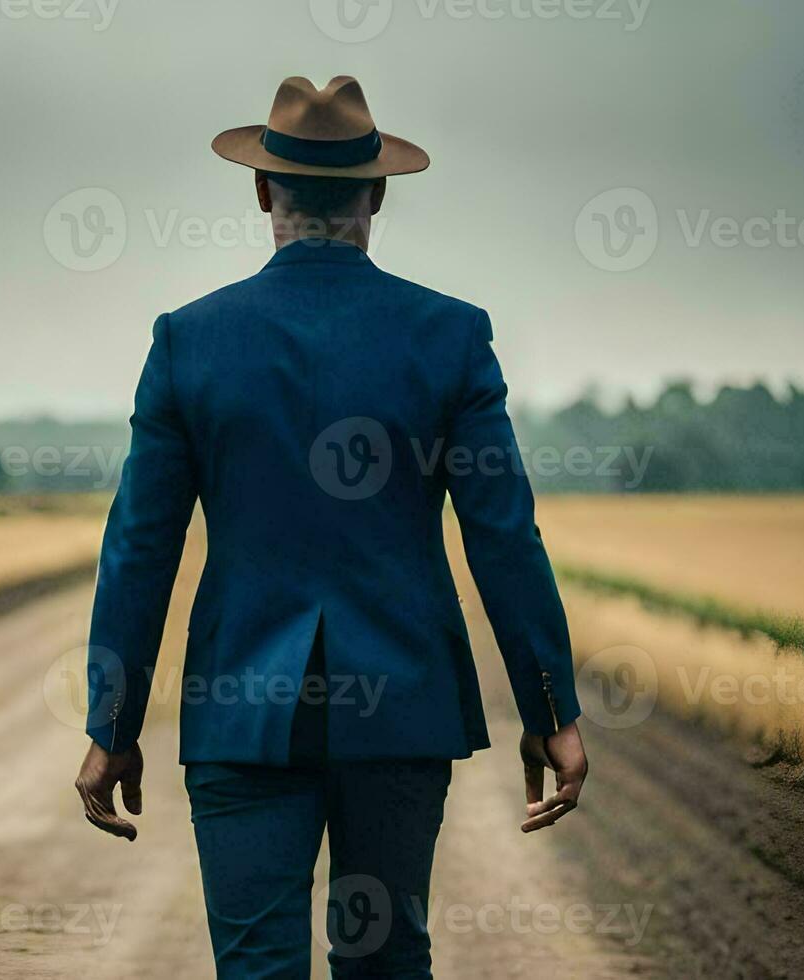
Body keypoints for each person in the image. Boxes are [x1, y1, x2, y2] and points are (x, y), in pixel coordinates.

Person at [74, 75, 589, 979]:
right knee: (388, 962)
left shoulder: (188, 341)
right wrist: (551, 709)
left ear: (262, 190)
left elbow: (141, 547)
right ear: (377, 193)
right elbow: (503, 535)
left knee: (256, 967)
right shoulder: (452, 336)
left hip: (240, 716)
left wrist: (112, 724)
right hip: (399, 708)